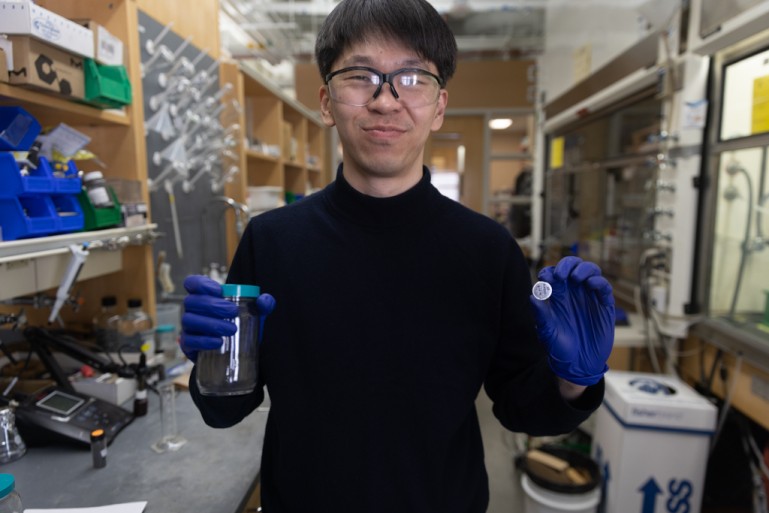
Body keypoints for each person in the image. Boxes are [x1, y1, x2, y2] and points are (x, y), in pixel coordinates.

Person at [180, 0, 615, 511]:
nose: (386, 101)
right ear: (326, 102)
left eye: (412, 79)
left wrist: (571, 382)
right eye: (360, 76)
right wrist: (213, 362)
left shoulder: (486, 250)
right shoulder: (272, 240)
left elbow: (523, 408)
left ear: (439, 107)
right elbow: (225, 411)